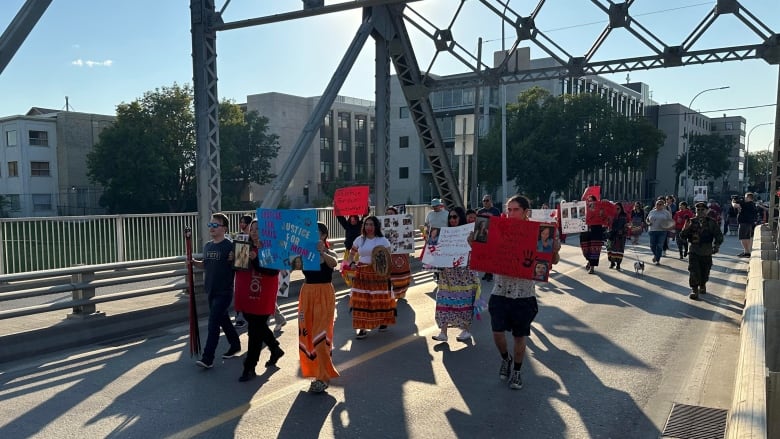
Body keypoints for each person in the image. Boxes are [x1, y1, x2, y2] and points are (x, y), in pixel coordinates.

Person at [483, 194, 559, 390]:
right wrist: (472, 241)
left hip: (523, 294)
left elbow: (553, 260)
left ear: (526, 212)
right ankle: (505, 358)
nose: (511, 213)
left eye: (516, 209)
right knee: (497, 333)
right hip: (500, 291)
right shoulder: (498, 228)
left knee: (519, 336)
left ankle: (516, 371)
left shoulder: (538, 231)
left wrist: (554, 249)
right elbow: (482, 253)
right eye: (509, 209)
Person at [234, 219, 285, 382]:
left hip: (264, 293)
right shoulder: (244, 245)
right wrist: (233, 257)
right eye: (252, 229)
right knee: (257, 325)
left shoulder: (273, 248)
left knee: (255, 331)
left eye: (258, 229)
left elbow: (271, 271)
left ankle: (249, 366)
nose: (254, 232)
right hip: (247, 292)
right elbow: (238, 266)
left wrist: (256, 258)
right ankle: (275, 349)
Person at [191, 213, 241, 369]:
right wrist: (193, 262)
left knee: (213, 323)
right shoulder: (208, 246)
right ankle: (235, 344)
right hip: (210, 290)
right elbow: (205, 264)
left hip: (224, 291)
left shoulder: (230, 246)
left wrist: (235, 258)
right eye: (210, 225)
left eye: (215, 225)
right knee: (223, 320)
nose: (211, 228)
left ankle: (208, 358)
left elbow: (241, 264)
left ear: (224, 228)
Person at [298, 222, 340, 393]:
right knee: (307, 334)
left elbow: (334, 263)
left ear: (323, 236)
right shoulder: (305, 254)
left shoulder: (329, 253)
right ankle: (315, 373)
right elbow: (293, 264)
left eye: (315, 232)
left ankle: (324, 376)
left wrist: (321, 252)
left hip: (324, 294)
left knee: (320, 335)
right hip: (307, 293)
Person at [431, 207, 479, 343]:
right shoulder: (444, 234)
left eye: (455, 217)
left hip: (465, 274)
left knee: (463, 303)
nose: (452, 220)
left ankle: (466, 329)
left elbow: (477, 252)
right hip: (447, 274)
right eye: (450, 217)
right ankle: (443, 332)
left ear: (460, 218)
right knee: (444, 300)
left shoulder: (469, 232)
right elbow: (436, 252)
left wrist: (471, 242)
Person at [348, 216, 394, 339]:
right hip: (362, 273)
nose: (369, 227)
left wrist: (384, 270)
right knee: (361, 300)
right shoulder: (360, 240)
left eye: (372, 224)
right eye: (367, 224)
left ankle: (383, 321)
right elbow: (351, 254)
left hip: (378, 273)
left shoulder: (383, 240)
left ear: (376, 226)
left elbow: (388, 257)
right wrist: (351, 263)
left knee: (379, 299)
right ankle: (362, 328)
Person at [679, 202, 724, 300]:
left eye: (702, 210)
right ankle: (694, 290)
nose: (700, 212)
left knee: (705, 272)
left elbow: (719, 236)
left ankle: (702, 284)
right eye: (697, 210)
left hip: (707, 251)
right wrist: (685, 229)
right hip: (694, 250)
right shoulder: (690, 221)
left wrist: (716, 246)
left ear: (706, 210)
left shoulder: (711, 222)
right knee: (693, 271)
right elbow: (682, 237)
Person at [385, 206, 411, 301]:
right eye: (387, 214)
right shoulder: (383, 226)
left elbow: (407, 239)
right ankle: (391, 293)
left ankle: (401, 292)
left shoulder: (402, 225)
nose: (389, 215)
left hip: (400, 253)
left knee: (401, 273)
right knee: (389, 274)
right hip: (388, 253)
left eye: (391, 213)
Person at [233, 214, 253, 329]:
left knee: (250, 293)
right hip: (240, 269)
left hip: (251, 270)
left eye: (244, 222)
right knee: (239, 293)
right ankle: (239, 317)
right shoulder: (239, 236)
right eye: (241, 222)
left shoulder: (253, 237)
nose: (242, 224)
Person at [477, 194, 500, 281]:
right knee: (484, 255)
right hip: (482, 235)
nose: (486, 202)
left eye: (487, 200)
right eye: (484, 201)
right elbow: (478, 224)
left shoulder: (496, 211)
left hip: (492, 235)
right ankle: (486, 272)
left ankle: (489, 273)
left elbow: (499, 223)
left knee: (491, 255)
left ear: (491, 201)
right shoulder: (480, 211)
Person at [580, 195, 604, 274]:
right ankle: (589, 261)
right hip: (585, 231)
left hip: (596, 230)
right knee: (585, 248)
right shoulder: (585, 208)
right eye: (588, 200)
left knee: (594, 249)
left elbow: (604, 217)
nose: (590, 202)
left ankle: (592, 267)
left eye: (592, 200)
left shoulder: (599, 209)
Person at [646, 199, 673, 265]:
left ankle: (657, 259)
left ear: (663, 205)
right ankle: (656, 255)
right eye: (657, 204)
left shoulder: (666, 212)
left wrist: (667, 226)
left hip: (662, 231)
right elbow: (647, 219)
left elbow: (670, 221)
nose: (658, 205)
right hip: (652, 230)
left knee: (659, 245)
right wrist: (648, 223)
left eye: (660, 204)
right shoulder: (652, 211)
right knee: (652, 246)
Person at [733, 192, 759, 257]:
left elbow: (735, 205)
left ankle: (747, 252)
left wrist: (733, 201)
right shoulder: (752, 204)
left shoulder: (747, 204)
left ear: (748, 197)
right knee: (747, 238)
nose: (744, 198)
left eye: (745, 197)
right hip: (749, 223)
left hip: (744, 223)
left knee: (743, 238)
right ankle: (746, 251)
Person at [606, 202, 627, 271]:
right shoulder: (611, 215)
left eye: (618, 208)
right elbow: (607, 223)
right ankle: (612, 263)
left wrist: (624, 229)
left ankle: (618, 264)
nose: (616, 210)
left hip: (620, 235)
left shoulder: (624, 216)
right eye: (615, 208)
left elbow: (628, 224)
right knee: (610, 249)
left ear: (621, 209)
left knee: (619, 250)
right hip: (611, 234)